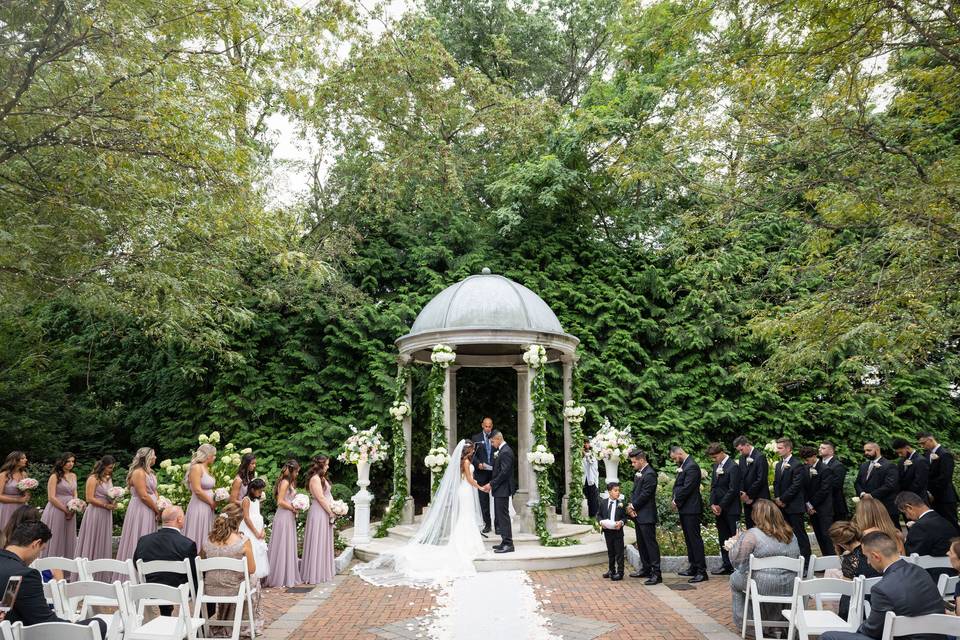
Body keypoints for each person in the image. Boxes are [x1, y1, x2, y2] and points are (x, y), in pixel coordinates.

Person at [355, 440, 488, 586]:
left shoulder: (462, 462)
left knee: (465, 516)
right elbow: (469, 479)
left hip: (463, 490)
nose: (474, 451)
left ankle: (466, 542)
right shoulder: (467, 463)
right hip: (466, 490)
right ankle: (467, 544)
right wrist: (480, 487)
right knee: (466, 516)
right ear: (468, 450)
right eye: (472, 449)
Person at [820, 531, 945, 640]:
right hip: (938, 635)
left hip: (904, 637)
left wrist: (859, 628)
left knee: (828, 636)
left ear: (876, 556)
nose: (868, 562)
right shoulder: (920, 570)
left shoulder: (882, 589)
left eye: (868, 557)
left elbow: (872, 630)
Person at [0, 521, 107, 635]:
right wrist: (73, 624)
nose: (38, 556)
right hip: (23, 634)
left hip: (10, 629)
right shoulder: (24, 574)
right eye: (41, 550)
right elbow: (44, 622)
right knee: (98, 624)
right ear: (36, 543)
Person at [728, 499, 801, 633]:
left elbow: (737, 561)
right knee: (772, 582)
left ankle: (749, 625)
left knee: (734, 579)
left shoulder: (752, 534)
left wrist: (735, 542)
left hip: (762, 586)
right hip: (791, 586)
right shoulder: (791, 534)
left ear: (756, 515)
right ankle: (778, 624)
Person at [201, 503, 261, 637]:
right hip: (234, 590)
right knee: (254, 579)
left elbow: (201, 559)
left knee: (235, 579)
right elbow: (251, 569)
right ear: (238, 522)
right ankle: (244, 623)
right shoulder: (243, 540)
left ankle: (226, 620)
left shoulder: (208, 540)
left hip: (210, 589)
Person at [133, 506, 198, 615]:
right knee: (199, 582)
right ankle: (200, 623)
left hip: (150, 589)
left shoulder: (144, 540)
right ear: (179, 519)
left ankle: (165, 611)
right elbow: (192, 572)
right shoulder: (187, 544)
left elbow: (136, 563)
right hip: (177, 591)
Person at [898, 491, 958, 583]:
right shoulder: (944, 521)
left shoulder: (920, 527)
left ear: (909, 507)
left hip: (930, 580)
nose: (907, 517)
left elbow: (910, 557)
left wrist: (902, 540)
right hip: (953, 576)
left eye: (905, 513)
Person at [116, 447, 161, 565]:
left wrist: (159, 503)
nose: (155, 457)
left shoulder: (150, 472)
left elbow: (154, 491)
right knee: (140, 534)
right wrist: (157, 510)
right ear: (147, 457)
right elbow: (143, 496)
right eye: (153, 455)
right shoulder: (138, 472)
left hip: (151, 508)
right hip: (141, 509)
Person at [76, 455, 118, 578]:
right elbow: (89, 498)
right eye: (110, 467)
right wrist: (106, 505)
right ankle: (87, 572)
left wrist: (114, 501)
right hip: (95, 512)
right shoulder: (93, 478)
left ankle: (102, 574)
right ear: (103, 465)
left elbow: (110, 494)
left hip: (106, 513)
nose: (111, 470)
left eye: (112, 468)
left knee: (104, 540)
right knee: (93, 539)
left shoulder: (108, 478)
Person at [670, 445, 707, 582]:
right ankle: (693, 566)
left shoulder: (691, 466)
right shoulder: (685, 465)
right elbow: (678, 485)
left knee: (695, 539)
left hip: (692, 508)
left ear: (679, 453)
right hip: (685, 508)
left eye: (675, 458)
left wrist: (676, 500)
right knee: (689, 539)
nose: (675, 461)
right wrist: (675, 497)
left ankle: (701, 571)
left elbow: (687, 488)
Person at [829, 521, 880, 620]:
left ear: (840, 543)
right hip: (881, 602)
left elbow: (847, 588)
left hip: (860, 609)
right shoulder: (876, 550)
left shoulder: (850, 559)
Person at [773, 437, 811, 563]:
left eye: (780, 448)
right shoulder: (778, 465)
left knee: (800, 535)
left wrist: (783, 499)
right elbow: (776, 483)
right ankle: (790, 561)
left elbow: (796, 485)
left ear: (788, 449)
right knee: (785, 535)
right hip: (781, 506)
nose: (777, 450)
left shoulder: (797, 464)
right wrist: (778, 499)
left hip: (794, 506)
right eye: (777, 447)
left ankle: (806, 563)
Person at [265, 459, 302, 587]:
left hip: (289, 516)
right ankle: (279, 576)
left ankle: (286, 575)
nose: (297, 474)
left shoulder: (289, 482)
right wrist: (293, 507)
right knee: (282, 544)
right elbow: (280, 501)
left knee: (287, 544)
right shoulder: (285, 482)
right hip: (283, 516)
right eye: (297, 472)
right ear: (292, 471)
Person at [627, 448, 661, 584]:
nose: (632, 464)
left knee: (650, 544)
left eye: (634, 462)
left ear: (642, 460)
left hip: (647, 515)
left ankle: (656, 573)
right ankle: (646, 569)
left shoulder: (650, 474)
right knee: (641, 544)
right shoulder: (639, 473)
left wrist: (632, 506)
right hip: (638, 514)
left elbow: (646, 494)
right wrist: (631, 506)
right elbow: (635, 492)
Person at [301, 455, 336, 584]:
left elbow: (328, 496)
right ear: (320, 465)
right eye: (326, 464)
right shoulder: (315, 479)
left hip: (325, 510)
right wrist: (331, 513)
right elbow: (321, 498)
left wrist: (336, 507)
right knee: (317, 540)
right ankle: (315, 573)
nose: (328, 466)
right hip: (318, 512)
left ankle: (322, 571)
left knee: (323, 540)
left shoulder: (322, 478)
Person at [707, 442, 741, 575]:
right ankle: (726, 564)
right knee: (723, 537)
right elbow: (713, 487)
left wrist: (721, 505)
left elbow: (733, 490)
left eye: (715, 457)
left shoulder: (733, 466)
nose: (714, 460)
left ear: (721, 453)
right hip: (719, 509)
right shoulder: (716, 465)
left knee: (734, 537)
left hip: (731, 509)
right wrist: (712, 504)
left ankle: (736, 565)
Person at [39, 451, 78, 560]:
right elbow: (51, 497)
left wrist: (75, 504)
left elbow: (74, 492)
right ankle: (50, 567)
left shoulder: (73, 475)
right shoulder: (54, 476)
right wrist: (66, 510)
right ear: (62, 462)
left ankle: (67, 568)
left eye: (72, 461)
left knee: (68, 538)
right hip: (57, 509)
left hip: (71, 508)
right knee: (56, 536)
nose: (71, 464)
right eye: (68, 461)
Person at [800, 445, 837, 556]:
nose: (806, 462)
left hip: (824, 508)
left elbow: (824, 490)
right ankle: (825, 560)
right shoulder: (805, 468)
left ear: (814, 456)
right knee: (819, 536)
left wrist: (812, 504)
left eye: (807, 459)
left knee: (827, 536)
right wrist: (807, 504)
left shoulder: (825, 469)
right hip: (811, 507)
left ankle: (832, 561)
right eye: (804, 460)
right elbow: (803, 488)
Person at [484, 431, 516, 554]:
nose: (492, 444)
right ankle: (504, 541)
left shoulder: (506, 452)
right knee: (500, 516)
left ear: (498, 439)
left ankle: (508, 544)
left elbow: (504, 473)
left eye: (492, 441)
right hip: (500, 489)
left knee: (503, 516)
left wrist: (491, 484)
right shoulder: (502, 451)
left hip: (503, 489)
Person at [919, 431, 959, 529]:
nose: (922, 446)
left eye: (923, 443)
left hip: (945, 497)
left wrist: (933, 493)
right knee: (937, 526)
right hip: (932, 498)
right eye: (920, 444)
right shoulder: (927, 454)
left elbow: (945, 478)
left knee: (951, 524)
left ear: (931, 440)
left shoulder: (945, 454)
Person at [854, 442, 900, 528]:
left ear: (877, 450)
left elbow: (890, 485)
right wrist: (862, 494)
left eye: (869, 450)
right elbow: (857, 483)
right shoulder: (864, 466)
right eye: (865, 451)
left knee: (892, 530)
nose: (866, 453)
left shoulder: (889, 465)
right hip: (868, 506)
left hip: (885, 506)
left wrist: (871, 495)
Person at [182, 443, 218, 550]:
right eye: (214, 455)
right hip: (199, 506)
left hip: (207, 507)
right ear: (208, 456)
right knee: (197, 531)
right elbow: (197, 490)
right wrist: (211, 502)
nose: (215, 457)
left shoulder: (206, 468)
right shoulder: (196, 468)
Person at [733, 436, 770, 529]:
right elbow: (741, 477)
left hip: (760, 498)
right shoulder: (742, 458)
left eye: (741, 449)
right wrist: (742, 494)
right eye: (738, 451)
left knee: (763, 526)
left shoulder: (760, 457)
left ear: (747, 445)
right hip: (746, 500)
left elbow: (761, 479)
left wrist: (749, 495)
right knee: (750, 526)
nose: (740, 452)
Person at [893, 437, 930, 524]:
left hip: (918, 500)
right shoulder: (901, 461)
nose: (900, 455)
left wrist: (906, 496)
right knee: (909, 525)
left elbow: (919, 483)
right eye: (898, 453)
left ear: (907, 448)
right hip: (905, 502)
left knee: (921, 526)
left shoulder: (921, 460)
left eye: (901, 452)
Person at [238, 478, 269, 579]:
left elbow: (260, 516)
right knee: (252, 550)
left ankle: (257, 578)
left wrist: (262, 530)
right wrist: (255, 532)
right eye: (259, 491)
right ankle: (251, 576)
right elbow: (246, 518)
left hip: (258, 529)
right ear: (252, 490)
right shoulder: (246, 500)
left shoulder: (257, 500)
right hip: (249, 530)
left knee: (259, 551)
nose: (261, 493)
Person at [471, 417, 495, 533]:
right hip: (481, 473)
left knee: (497, 499)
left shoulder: (496, 436)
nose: (488, 428)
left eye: (490, 426)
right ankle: (487, 524)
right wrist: (478, 464)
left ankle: (498, 525)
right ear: (482, 425)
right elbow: (472, 455)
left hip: (495, 472)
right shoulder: (476, 438)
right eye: (486, 426)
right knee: (483, 501)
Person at [598, 482, 627, 580]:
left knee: (619, 552)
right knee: (611, 552)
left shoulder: (621, 504)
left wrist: (621, 523)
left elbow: (624, 517)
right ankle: (611, 570)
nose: (618, 493)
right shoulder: (603, 502)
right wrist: (601, 523)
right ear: (610, 492)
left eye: (618, 490)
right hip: (608, 532)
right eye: (615, 491)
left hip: (618, 532)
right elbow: (599, 515)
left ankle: (620, 572)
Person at [0, 452, 31, 531]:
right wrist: (18, 500)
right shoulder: (3, 475)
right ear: (15, 461)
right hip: (7, 508)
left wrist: (27, 495)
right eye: (23, 458)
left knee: (21, 532)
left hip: (22, 507)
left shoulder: (24, 474)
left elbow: (26, 493)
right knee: (7, 533)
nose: (26, 460)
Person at [820, 441, 849, 521]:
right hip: (820, 506)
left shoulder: (837, 466)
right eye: (819, 447)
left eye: (823, 448)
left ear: (831, 451)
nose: (819, 449)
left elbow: (836, 485)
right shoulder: (818, 465)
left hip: (834, 505)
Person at [582, 439, 600, 519]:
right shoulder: (580, 454)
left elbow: (591, 462)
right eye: (585, 443)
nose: (586, 444)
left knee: (593, 497)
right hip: (584, 477)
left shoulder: (593, 453)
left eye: (587, 443)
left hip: (591, 477)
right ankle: (586, 514)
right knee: (585, 495)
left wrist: (586, 455)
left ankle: (593, 515)